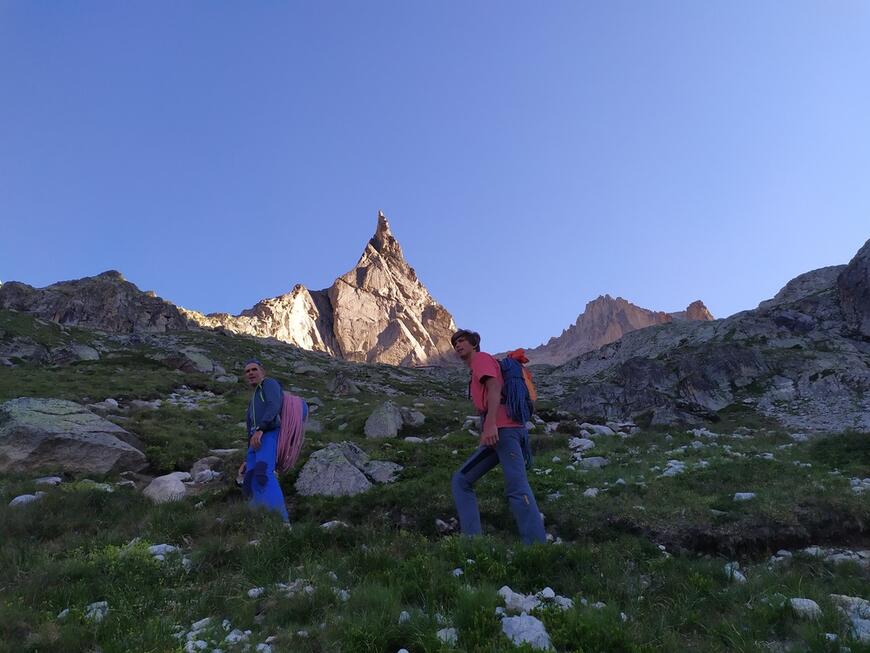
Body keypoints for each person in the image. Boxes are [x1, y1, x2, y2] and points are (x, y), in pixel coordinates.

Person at [450, 329, 546, 544]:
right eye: (455, 342)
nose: (458, 345)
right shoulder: (476, 367)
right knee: (461, 480)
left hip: (505, 431)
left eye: (462, 340)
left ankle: (538, 547)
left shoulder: (482, 359)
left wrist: (491, 424)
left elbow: (495, 388)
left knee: (517, 488)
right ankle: (473, 543)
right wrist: (487, 429)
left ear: (474, 344)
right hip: (501, 434)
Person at [238, 358, 289, 521]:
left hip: (268, 434)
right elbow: (249, 429)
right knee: (250, 478)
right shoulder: (254, 397)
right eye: (247, 371)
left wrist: (261, 428)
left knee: (263, 472)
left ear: (262, 372)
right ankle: (258, 521)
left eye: (254, 369)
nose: (250, 373)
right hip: (255, 441)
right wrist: (246, 458)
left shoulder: (269, 384)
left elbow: (274, 405)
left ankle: (281, 522)